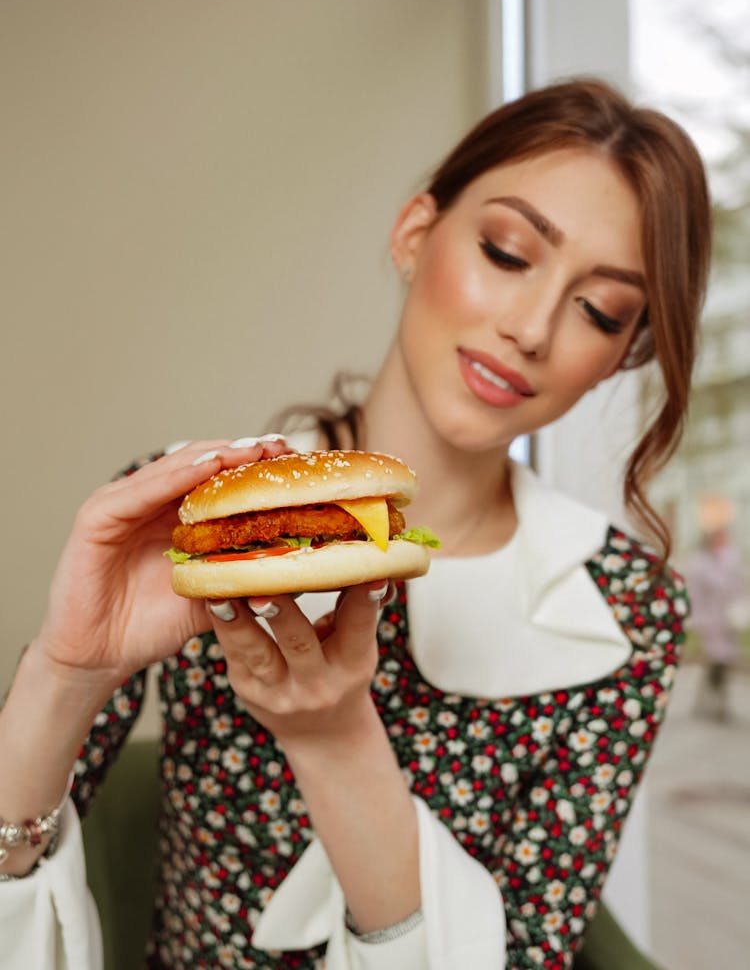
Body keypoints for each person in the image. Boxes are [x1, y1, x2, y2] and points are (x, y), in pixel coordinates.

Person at [0, 77, 711, 969]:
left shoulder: (625, 608)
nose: (531, 328)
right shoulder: (193, 516)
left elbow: (532, 954)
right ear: (417, 233)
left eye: (600, 310)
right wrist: (64, 674)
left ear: (620, 357)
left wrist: (333, 740)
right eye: (506, 251)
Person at [683, 496, 745, 723]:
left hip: (725, 617)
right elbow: (710, 585)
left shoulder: (729, 555)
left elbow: (735, 584)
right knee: (717, 658)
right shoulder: (699, 560)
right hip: (708, 617)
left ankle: (713, 702)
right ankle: (715, 704)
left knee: (721, 660)